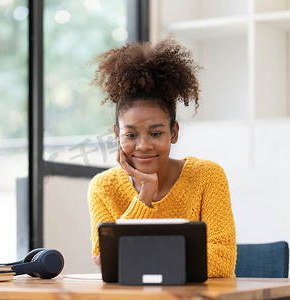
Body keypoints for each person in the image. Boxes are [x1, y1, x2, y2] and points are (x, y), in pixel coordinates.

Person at [88, 36, 237, 278]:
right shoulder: (103, 188)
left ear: (174, 132)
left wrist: (136, 258)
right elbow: (109, 265)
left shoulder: (207, 176)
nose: (143, 145)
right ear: (117, 135)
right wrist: (145, 193)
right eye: (131, 134)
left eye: (156, 133)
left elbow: (222, 261)